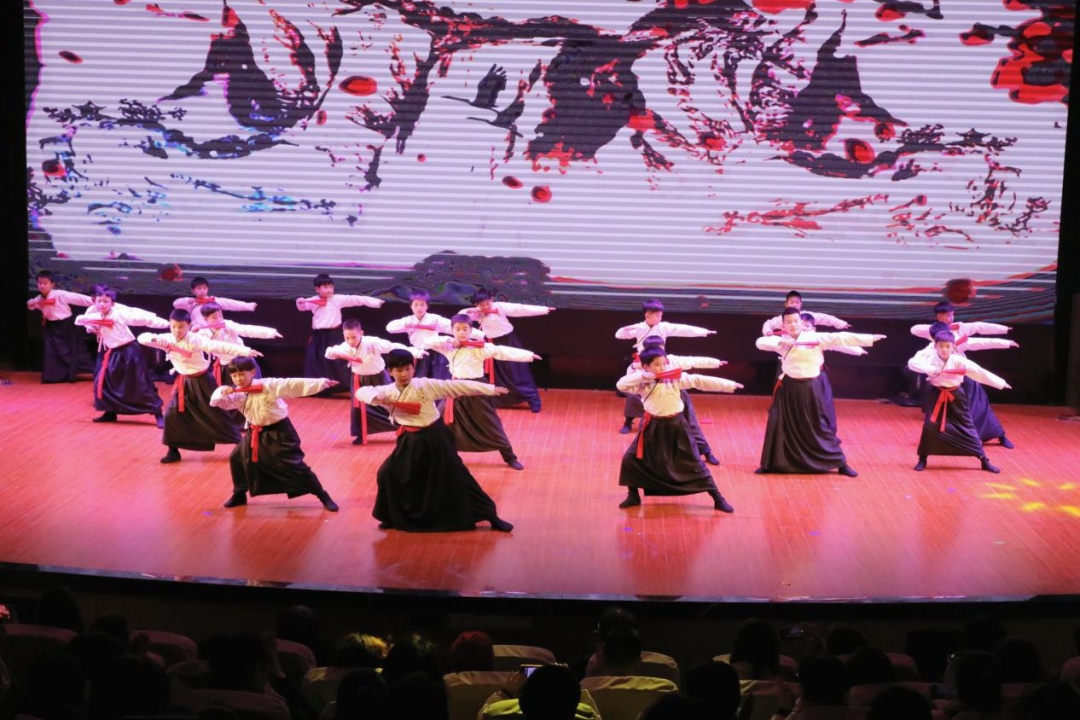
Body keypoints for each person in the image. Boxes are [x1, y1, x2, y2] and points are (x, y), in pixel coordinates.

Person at [354, 349, 514, 532]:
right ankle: (390, 515)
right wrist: (376, 398)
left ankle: (491, 516)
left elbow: (456, 386)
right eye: (399, 370)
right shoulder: (386, 391)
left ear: (413, 369)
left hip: (435, 437)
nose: (404, 374)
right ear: (390, 371)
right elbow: (361, 392)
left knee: (458, 476)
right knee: (387, 473)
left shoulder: (424, 385)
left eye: (407, 369)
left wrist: (490, 389)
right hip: (410, 440)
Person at [755, 308, 885, 477]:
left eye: (795, 321)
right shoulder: (781, 341)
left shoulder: (815, 339)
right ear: (783, 325)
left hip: (810, 388)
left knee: (819, 425)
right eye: (788, 322)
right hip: (788, 389)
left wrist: (869, 338)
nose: (793, 325)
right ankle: (770, 464)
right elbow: (760, 342)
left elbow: (839, 338)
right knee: (778, 423)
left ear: (801, 322)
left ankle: (840, 463)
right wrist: (780, 343)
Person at [616, 347, 740, 512]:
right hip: (653, 426)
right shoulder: (641, 383)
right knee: (630, 460)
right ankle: (633, 496)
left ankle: (717, 498)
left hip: (677, 426)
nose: (662, 367)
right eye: (657, 364)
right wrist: (641, 376)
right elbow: (621, 385)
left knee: (694, 463)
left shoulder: (673, 378)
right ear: (646, 366)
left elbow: (698, 380)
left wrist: (729, 385)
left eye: (664, 363)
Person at [209, 357, 340, 511]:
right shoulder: (236, 393)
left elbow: (291, 384)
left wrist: (321, 383)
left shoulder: (268, 385)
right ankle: (239, 494)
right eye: (234, 375)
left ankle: (322, 495)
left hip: (279, 432)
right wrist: (222, 391)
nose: (238, 379)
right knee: (237, 458)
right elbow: (218, 402)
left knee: (293, 465)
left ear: (253, 372)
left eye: (242, 374)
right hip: (254, 432)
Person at [138, 308, 262, 464]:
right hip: (184, 382)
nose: (177, 330)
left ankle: (243, 446)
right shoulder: (166, 339)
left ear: (189, 326)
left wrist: (245, 350)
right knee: (171, 415)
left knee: (217, 414)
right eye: (174, 326)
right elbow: (142, 337)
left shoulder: (196, 340)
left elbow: (217, 346)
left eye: (181, 327)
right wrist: (154, 339)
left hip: (203, 381)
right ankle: (173, 451)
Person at [422, 315, 540, 470]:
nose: (461, 332)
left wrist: (528, 355)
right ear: (452, 330)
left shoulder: (478, 348)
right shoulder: (448, 347)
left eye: (465, 329)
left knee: (490, 423)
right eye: (457, 329)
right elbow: (427, 342)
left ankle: (510, 457)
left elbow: (500, 351)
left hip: (477, 389)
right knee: (438, 421)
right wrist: (448, 340)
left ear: (471, 330)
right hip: (455, 389)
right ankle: (437, 455)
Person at [910, 301, 1015, 448]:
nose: (951, 318)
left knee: (978, 407)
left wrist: (1005, 337)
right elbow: (914, 333)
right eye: (947, 315)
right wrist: (931, 368)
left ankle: (998, 435)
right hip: (941, 385)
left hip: (963, 380)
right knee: (938, 415)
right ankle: (937, 443)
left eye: (952, 315)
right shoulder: (930, 347)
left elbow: (981, 338)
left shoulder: (959, 337)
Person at [907, 330, 1010, 473]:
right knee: (930, 426)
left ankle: (984, 460)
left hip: (956, 395)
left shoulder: (958, 360)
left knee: (967, 425)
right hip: (936, 394)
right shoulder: (929, 358)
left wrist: (1001, 383)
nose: (944, 350)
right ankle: (922, 459)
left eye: (947, 346)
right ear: (935, 346)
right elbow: (912, 363)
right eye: (941, 346)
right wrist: (931, 369)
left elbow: (978, 371)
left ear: (953, 347)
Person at [619, 336, 724, 467]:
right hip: (648, 395)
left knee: (691, 423)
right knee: (640, 413)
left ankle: (705, 451)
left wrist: (715, 363)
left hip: (674, 393)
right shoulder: (639, 366)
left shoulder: (671, 360)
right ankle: (629, 422)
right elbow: (625, 383)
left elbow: (694, 361)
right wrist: (640, 375)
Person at [75, 285, 168, 426]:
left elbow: (144, 318)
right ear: (94, 300)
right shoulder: (93, 313)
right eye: (99, 301)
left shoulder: (120, 313)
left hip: (128, 352)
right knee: (105, 382)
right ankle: (110, 412)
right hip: (110, 352)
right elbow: (81, 321)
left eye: (105, 301)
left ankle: (157, 413)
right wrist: (91, 327)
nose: (102, 304)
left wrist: (168, 324)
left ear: (112, 303)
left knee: (140, 383)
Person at [325, 318, 420, 445]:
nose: (351, 341)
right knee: (358, 409)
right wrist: (337, 354)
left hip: (378, 378)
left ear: (361, 333)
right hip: (358, 379)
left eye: (354, 337)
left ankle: (407, 427)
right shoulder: (345, 347)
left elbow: (393, 347)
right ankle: (361, 433)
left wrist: (415, 352)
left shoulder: (372, 343)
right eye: (347, 338)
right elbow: (329, 352)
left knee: (392, 403)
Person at [458, 287, 553, 412]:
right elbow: (460, 316)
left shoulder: (500, 307)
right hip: (492, 344)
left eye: (487, 303)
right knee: (498, 375)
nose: (485, 306)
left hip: (509, 341)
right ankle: (499, 400)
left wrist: (544, 309)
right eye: (482, 304)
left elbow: (519, 309)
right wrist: (471, 311)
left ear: (492, 300)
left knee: (518, 372)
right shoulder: (477, 313)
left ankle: (533, 399)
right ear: (476, 304)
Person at [296, 273, 384, 388]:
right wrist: (300, 301)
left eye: (331, 287)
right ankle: (319, 387)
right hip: (319, 336)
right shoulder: (313, 301)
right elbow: (302, 307)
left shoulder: (337, 299)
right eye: (325, 287)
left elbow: (356, 299)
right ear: (317, 289)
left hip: (334, 334)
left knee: (339, 360)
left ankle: (341, 386)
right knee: (316, 361)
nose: (329, 290)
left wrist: (376, 302)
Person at [26, 270, 95, 383]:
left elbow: (77, 298)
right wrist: (31, 303)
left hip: (66, 326)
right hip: (51, 328)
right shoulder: (39, 298)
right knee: (51, 352)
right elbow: (33, 305)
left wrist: (95, 301)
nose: (42, 286)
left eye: (45, 283)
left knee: (75, 352)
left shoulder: (60, 294)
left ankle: (96, 371)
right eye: (40, 283)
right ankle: (54, 376)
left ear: (52, 284)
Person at [197, 302, 282, 384]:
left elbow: (246, 329)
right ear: (205, 319)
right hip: (227, 364)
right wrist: (193, 332)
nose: (219, 319)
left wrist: (270, 332)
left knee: (254, 386)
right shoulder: (202, 333)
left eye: (220, 315)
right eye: (214, 317)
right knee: (233, 391)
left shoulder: (227, 324)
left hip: (242, 359)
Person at [385, 289, 455, 379]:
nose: (419, 308)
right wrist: (406, 324)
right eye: (416, 305)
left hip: (435, 353)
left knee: (437, 380)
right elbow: (389, 328)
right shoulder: (409, 320)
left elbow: (453, 327)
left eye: (422, 305)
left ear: (427, 306)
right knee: (419, 381)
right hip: (418, 353)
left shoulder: (434, 319)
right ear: (411, 306)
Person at [615, 299, 715, 352]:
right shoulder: (639, 328)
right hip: (643, 359)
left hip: (659, 359)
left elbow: (683, 329)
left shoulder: (663, 327)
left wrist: (705, 331)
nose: (660, 318)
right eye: (657, 316)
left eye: (661, 316)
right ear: (647, 315)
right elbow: (619, 335)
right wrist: (627, 328)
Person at [173, 276, 257, 329]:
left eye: (204, 288)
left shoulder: (214, 300)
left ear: (208, 289)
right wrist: (190, 300)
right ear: (193, 291)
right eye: (199, 288)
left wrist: (248, 306)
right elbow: (176, 304)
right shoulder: (191, 304)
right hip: (198, 331)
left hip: (214, 330)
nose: (202, 291)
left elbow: (231, 304)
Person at [761, 290, 851, 337]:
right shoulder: (782, 318)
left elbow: (824, 318)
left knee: (833, 339)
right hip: (790, 346)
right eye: (792, 302)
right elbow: (768, 323)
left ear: (801, 304)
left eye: (797, 302)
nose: (794, 304)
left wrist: (840, 323)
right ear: (786, 304)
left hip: (808, 343)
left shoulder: (807, 315)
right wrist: (768, 331)